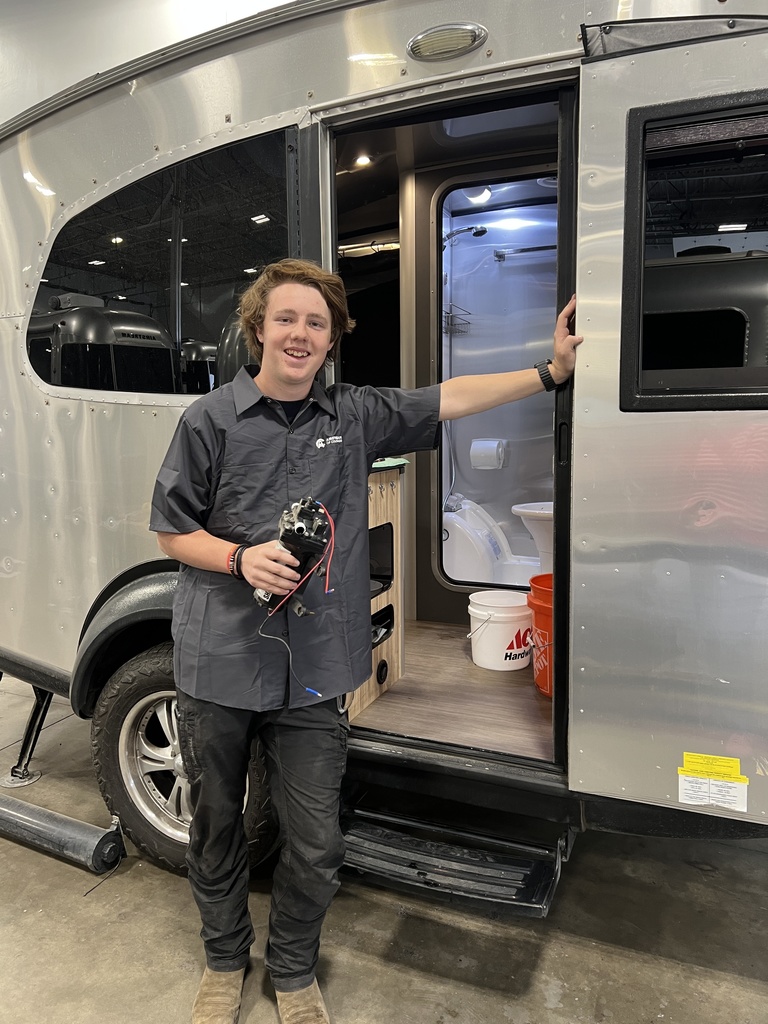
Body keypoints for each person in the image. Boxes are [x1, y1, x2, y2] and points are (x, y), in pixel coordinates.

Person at [150, 258, 583, 1024]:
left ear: (331, 340)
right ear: (258, 329)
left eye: (317, 323)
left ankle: (291, 972)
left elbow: (449, 398)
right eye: (286, 318)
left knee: (316, 842)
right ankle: (225, 961)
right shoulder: (209, 421)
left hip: (315, 669)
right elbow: (170, 530)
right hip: (219, 661)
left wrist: (550, 371)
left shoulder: (353, 416)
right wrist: (239, 556)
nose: (300, 333)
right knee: (217, 824)